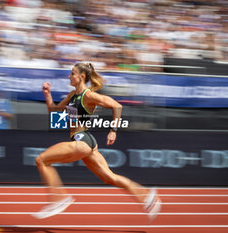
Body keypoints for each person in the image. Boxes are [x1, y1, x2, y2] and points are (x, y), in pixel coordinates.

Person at [32, 63, 161, 221]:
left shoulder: (88, 95)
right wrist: (47, 94)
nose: (69, 76)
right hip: (87, 143)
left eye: (72, 73)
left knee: (42, 160)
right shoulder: (72, 95)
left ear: (82, 77)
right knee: (110, 178)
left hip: (83, 141)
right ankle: (147, 196)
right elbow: (54, 115)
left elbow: (116, 106)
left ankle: (58, 199)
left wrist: (113, 130)